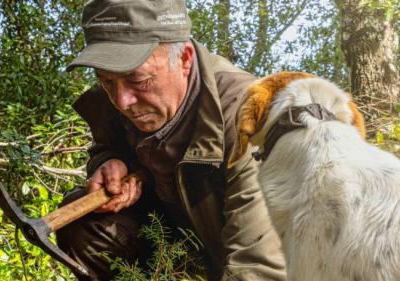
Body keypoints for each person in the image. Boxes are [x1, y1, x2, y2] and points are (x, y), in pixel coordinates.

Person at [56, 0, 286, 280]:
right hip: (183, 248)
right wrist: (110, 161)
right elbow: (108, 144)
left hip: (256, 259)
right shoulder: (121, 94)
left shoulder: (250, 120)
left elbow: (260, 267)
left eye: (138, 81)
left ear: (185, 59)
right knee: (85, 224)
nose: (122, 101)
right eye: (106, 81)